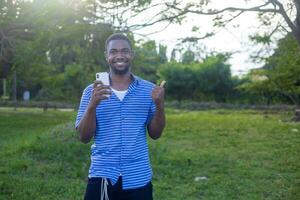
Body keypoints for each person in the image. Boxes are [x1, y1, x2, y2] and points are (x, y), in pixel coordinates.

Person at [75, 33, 165, 200]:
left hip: (138, 177)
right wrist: (93, 105)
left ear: (132, 55)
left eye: (125, 51)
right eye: (114, 51)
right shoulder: (91, 92)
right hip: (102, 176)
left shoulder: (149, 91)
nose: (119, 56)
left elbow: (156, 134)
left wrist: (160, 106)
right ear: (106, 56)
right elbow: (83, 136)